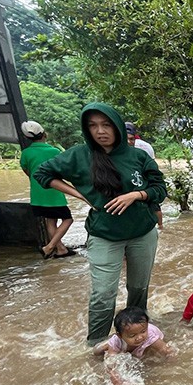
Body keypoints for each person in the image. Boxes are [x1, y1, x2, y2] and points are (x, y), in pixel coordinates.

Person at [34, 103, 167, 345]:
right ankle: (96, 344)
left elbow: (159, 189)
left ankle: (137, 338)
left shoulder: (137, 156)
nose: (100, 131)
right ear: (86, 129)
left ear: (116, 126)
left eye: (106, 125)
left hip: (142, 232)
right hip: (104, 234)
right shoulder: (78, 155)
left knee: (138, 287)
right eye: (93, 126)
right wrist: (80, 195)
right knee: (103, 294)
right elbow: (43, 174)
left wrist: (136, 195)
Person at [19, 121, 76, 259]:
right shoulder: (54, 151)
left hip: (37, 194)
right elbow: (62, 170)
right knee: (68, 220)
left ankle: (60, 248)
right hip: (53, 192)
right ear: (44, 134)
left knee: (50, 221)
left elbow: (28, 171)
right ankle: (50, 247)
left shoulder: (26, 153)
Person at [125, 122, 163, 230]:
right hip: (145, 181)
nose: (129, 142)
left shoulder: (138, 150)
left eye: (131, 139)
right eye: (126, 138)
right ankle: (161, 227)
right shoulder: (147, 146)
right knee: (154, 205)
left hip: (141, 182)